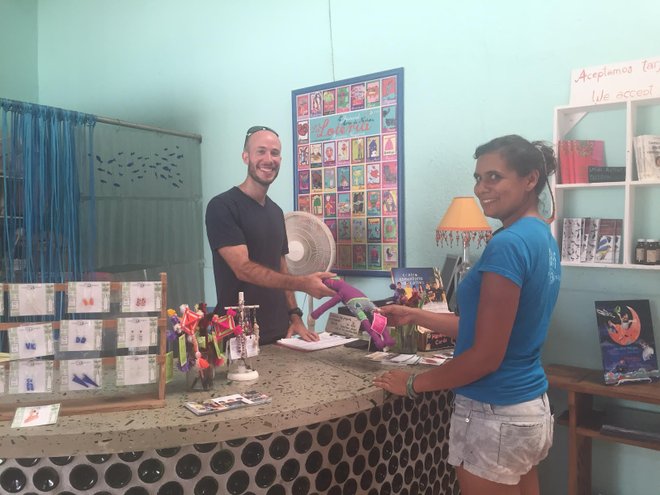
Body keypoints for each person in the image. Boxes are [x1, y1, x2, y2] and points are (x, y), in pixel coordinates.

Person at [374, 134, 561, 495]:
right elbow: (484, 329)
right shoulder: (541, 236)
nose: (481, 188)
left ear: (530, 179)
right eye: (478, 177)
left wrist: (412, 384)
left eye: (494, 177)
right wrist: (416, 317)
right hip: (529, 408)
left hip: (495, 413)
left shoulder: (508, 244)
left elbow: (486, 356)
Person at [205, 125, 335, 345]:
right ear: (245, 157)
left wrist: (295, 316)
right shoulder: (223, 206)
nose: (268, 159)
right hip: (238, 337)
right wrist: (303, 283)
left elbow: (281, 265)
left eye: (274, 153)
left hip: (279, 334)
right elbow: (243, 269)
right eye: (261, 151)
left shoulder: (275, 212)